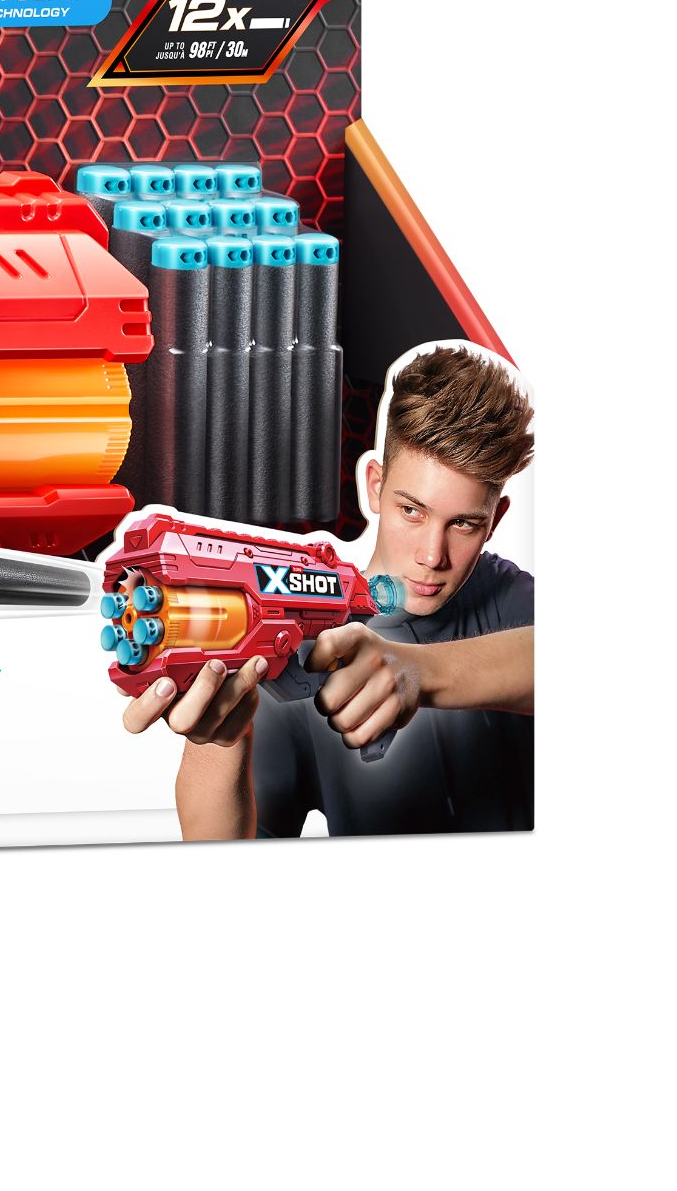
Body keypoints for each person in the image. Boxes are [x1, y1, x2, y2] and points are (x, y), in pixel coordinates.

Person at [122, 344, 535, 837]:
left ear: (496, 520)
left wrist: (417, 672)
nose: (432, 555)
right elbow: (220, 851)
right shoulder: (297, 643)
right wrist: (218, 743)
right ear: (375, 486)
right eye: (412, 511)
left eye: (464, 524)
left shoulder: (511, 600)